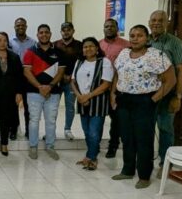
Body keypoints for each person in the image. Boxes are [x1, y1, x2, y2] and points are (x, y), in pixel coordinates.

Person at [111, 25, 176, 189]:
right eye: (132, 35)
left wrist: (153, 99)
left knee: (143, 139)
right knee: (127, 137)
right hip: (124, 99)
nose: (135, 38)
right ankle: (127, 170)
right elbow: (117, 74)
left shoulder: (156, 55)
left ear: (147, 38)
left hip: (145, 100)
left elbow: (171, 80)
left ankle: (144, 175)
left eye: (139, 35)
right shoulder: (124, 53)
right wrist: (113, 94)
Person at [148, 10, 182, 170]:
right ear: (149, 22)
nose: (156, 23)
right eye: (154, 20)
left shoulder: (174, 42)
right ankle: (146, 162)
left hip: (167, 93)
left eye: (161, 20)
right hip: (147, 94)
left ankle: (165, 164)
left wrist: (178, 96)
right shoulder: (145, 41)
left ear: (167, 23)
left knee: (165, 129)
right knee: (146, 128)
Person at [22, 24, 65, 160]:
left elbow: (61, 72)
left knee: (51, 121)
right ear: (37, 35)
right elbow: (27, 72)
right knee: (34, 120)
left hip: (53, 92)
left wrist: (50, 86)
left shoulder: (59, 52)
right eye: (41, 32)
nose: (44, 35)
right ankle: (33, 146)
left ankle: (50, 146)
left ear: (50, 34)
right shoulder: (30, 51)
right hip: (33, 92)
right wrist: (40, 87)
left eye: (46, 32)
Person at [70, 37, 113, 171]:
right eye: (85, 47)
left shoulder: (104, 62)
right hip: (82, 101)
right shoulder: (79, 62)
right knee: (87, 131)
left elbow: (106, 83)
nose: (88, 49)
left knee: (94, 132)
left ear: (97, 48)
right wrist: (79, 96)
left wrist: (88, 96)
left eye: (91, 46)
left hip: (98, 102)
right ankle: (92, 154)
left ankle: (91, 158)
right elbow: (72, 81)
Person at [99, 18, 130, 158]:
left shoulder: (126, 45)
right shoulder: (98, 45)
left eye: (112, 26)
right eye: (106, 26)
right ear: (103, 28)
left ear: (117, 28)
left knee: (116, 119)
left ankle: (113, 146)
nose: (109, 28)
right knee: (98, 118)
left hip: (117, 88)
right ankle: (95, 144)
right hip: (100, 88)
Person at [54, 21, 83, 141]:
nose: (66, 32)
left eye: (68, 30)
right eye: (63, 30)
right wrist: (60, 76)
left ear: (73, 31)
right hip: (57, 81)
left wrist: (71, 76)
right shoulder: (55, 45)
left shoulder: (80, 45)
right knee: (53, 107)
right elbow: (52, 63)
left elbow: (81, 63)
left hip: (72, 82)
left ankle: (67, 129)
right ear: (61, 32)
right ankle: (51, 130)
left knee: (70, 106)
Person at [9, 17, 36, 140]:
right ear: (14, 27)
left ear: (26, 27)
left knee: (28, 106)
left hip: (28, 78)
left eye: (22, 25)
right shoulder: (9, 42)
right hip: (14, 78)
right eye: (18, 25)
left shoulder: (33, 42)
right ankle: (14, 130)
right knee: (13, 106)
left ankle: (29, 131)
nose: (20, 27)